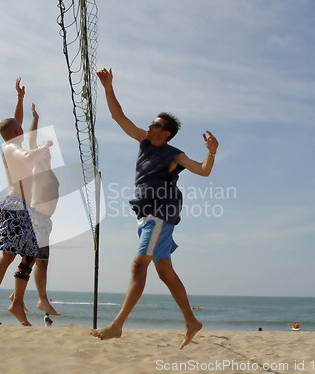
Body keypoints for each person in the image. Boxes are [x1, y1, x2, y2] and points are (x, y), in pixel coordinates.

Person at [91, 68, 218, 350]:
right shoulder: (145, 141)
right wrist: (108, 87)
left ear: (166, 133)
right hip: (146, 216)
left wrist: (211, 152)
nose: (149, 126)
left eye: (155, 125)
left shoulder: (174, 154)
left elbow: (203, 171)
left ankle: (117, 325)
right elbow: (118, 116)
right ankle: (191, 321)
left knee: (139, 265)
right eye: (150, 123)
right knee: (165, 272)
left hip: (160, 214)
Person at [0, 79, 53, 326]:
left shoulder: (12, 139)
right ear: (15, 134)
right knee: (8, 255)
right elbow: (28, 156)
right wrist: (43, 148)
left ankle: (17, 303)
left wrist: (19, 98)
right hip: (13, 206)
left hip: (24, 209)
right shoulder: (12, 148)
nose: (24, 131)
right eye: (20, 130)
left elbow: (14, 125)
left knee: (30, 255)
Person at [9, 78, 61, 317]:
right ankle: (41, 299)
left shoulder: (48, 166)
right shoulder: (39, 162)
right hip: (37, 216)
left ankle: (17, 296)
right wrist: (36, 121)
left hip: (43, 219)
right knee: (39, 261)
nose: (46, 147)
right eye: (44, 146)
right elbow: (30, 142)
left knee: (38, 261)